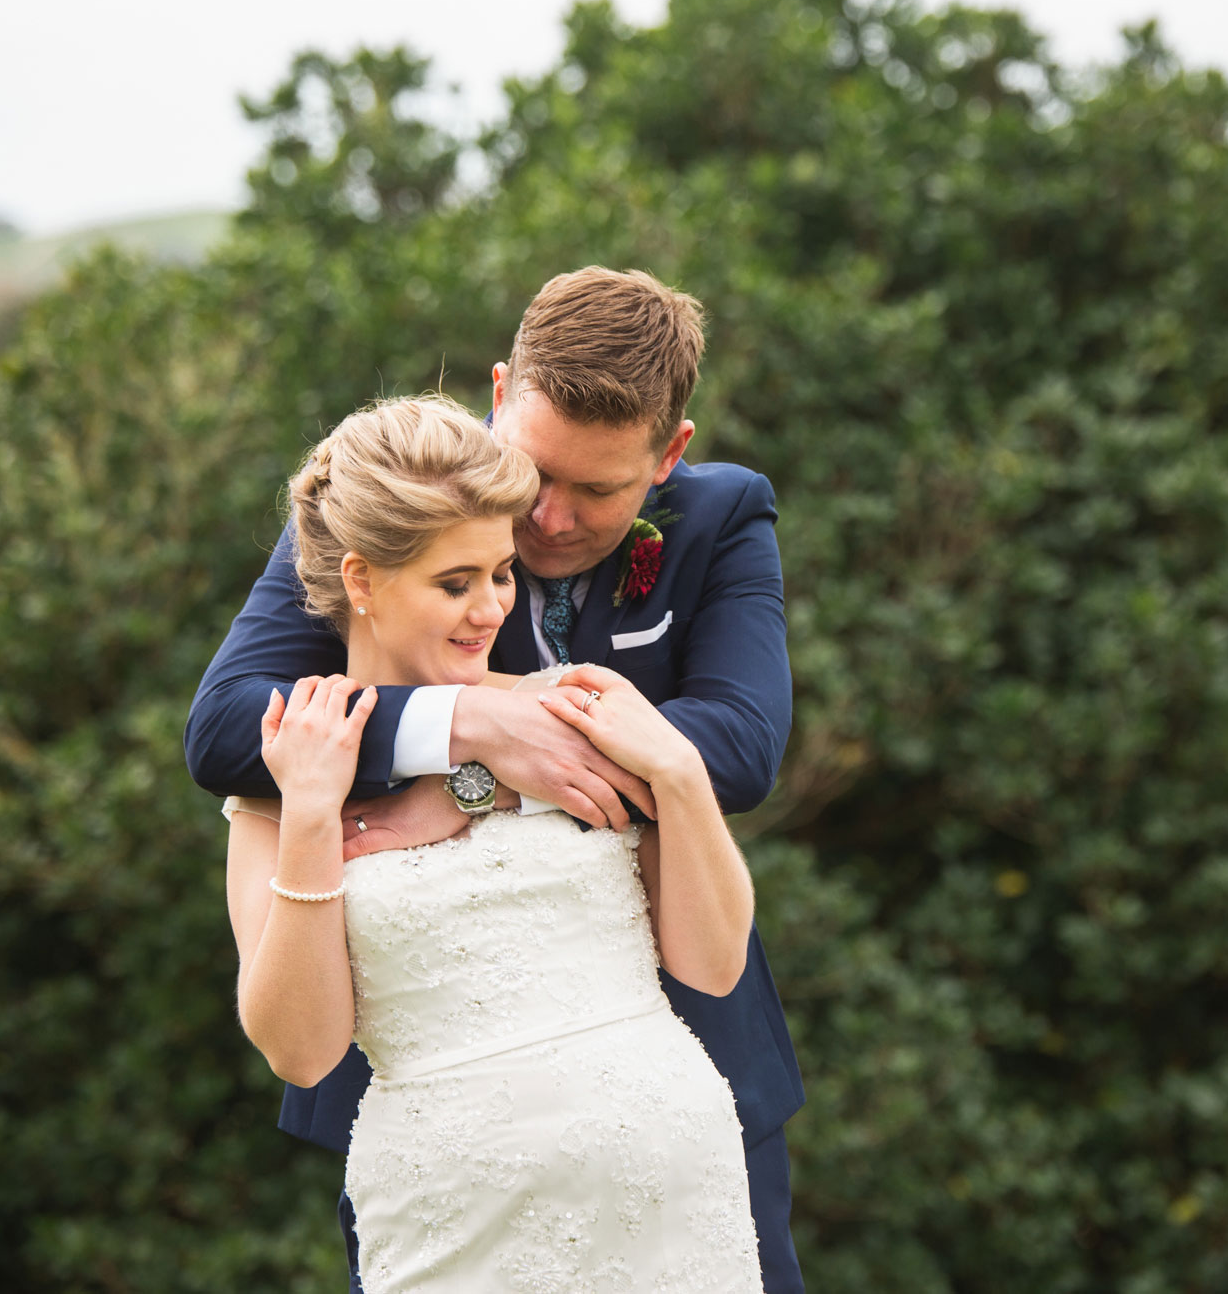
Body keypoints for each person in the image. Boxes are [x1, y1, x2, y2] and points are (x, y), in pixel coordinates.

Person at [186, 267, 805, 1291]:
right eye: (534, 472)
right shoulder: (390, 509)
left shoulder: (723, 517)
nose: (547, 521)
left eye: (597, 490)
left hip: (675, 1088)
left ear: (669, 455)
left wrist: (486, 779)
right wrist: (470, 719)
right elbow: (224, 727)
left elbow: (734, 746)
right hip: (442, 1135)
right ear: (498, 392)